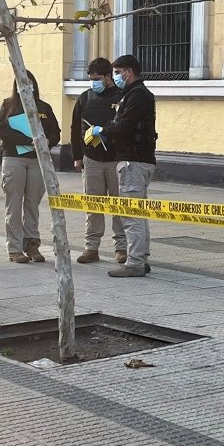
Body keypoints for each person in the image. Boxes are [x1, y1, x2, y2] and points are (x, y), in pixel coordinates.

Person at [84, 54, 156, 278]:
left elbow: (124, 126)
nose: (116, 77)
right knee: (138, 213)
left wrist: (102, 130)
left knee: (131, 215)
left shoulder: (137, 95)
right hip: (138, 159)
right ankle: (140, 257)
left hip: (133, 161)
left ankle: (134, 262)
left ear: (129, 72)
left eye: (118, 72)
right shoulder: (135, 94)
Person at [0, 70, 60, 263]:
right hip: (14, 158)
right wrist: (27, 140)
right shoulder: (8, 105)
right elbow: (2, 129)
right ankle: (14, 248)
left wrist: (46, 141)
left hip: (36, 159)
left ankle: (32, 244)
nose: (26, 86)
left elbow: (55, 132)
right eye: (22, 82)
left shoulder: (44, 107)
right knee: (13, 204)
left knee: (33, 204)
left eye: (29, 82)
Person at [70, 57, 126, 264]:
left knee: (119, 205)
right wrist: (77, 156)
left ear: (108, 77)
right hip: (91, 158)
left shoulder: (122, 96)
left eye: (97, 78)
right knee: (93, 205)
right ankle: (91, 247)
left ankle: (121, 248)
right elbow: (75, 128)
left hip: (116, 159)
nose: (94, 82)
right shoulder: (85, 98)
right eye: (91, 79)